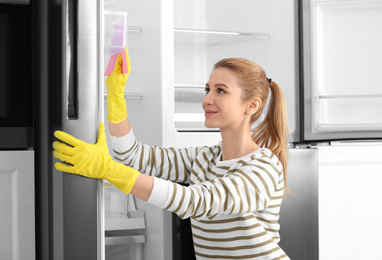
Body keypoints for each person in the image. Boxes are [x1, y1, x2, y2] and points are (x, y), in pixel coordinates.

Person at [53, 49, 290, 260]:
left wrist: (108, 170)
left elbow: (195, 201)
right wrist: (116, 99)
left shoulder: (263, 167)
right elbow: (133, 156)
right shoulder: (205, 159)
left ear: (252, 105)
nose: (207, 99)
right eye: (207, 89)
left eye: (221, 91)